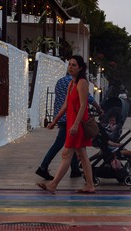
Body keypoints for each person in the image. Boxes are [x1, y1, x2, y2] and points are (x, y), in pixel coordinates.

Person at [36, 55, 96, 194]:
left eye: (74, 65)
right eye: (69, 64)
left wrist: (75, 125)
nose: (71, 67)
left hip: (78, 124)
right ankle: (90, 185)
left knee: (66, 154)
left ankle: (53, 184)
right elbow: (65, 105)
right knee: (82, 154)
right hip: (71, 122)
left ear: (80, 68)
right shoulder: (71, 83)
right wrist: (54, 121)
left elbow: (83, 106)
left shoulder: (81, 82)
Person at [35, 73, 103, 180]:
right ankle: (43, 167)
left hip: (61, 116)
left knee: (74, 144)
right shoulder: (75, 82)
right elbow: (88, 98)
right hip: (70, 118)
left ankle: (75, 169)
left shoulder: (60, 81)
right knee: (60, 144)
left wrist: (55, 120)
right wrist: (99, 108)